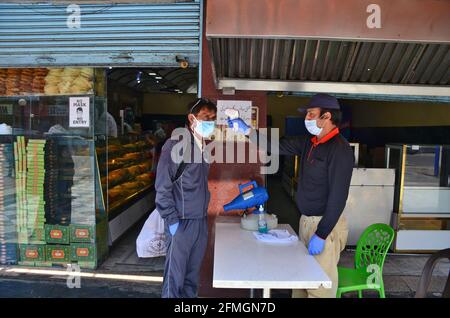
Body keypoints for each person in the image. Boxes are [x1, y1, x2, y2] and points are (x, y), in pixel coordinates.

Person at [229, 93, 354, 298]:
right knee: (301, 281)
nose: (307, 118)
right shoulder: (310, 143)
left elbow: (338, 197)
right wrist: (247, 130)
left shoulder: (340, 150)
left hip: (324, 227)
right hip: (306, 222)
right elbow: (275, 146)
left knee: (318, 288)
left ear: (327, 116)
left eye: (312, 114)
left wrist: (322, 234)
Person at [155, 98, 217, 298]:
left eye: (213, 119)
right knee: (174, 279)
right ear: (192, 118)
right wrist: (171, 220)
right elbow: (162, 188)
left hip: (199, 222)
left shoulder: (204, 146)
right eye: (206, 118)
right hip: (180, 222)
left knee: (192, 277)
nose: (211, 122)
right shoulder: (175, 145)